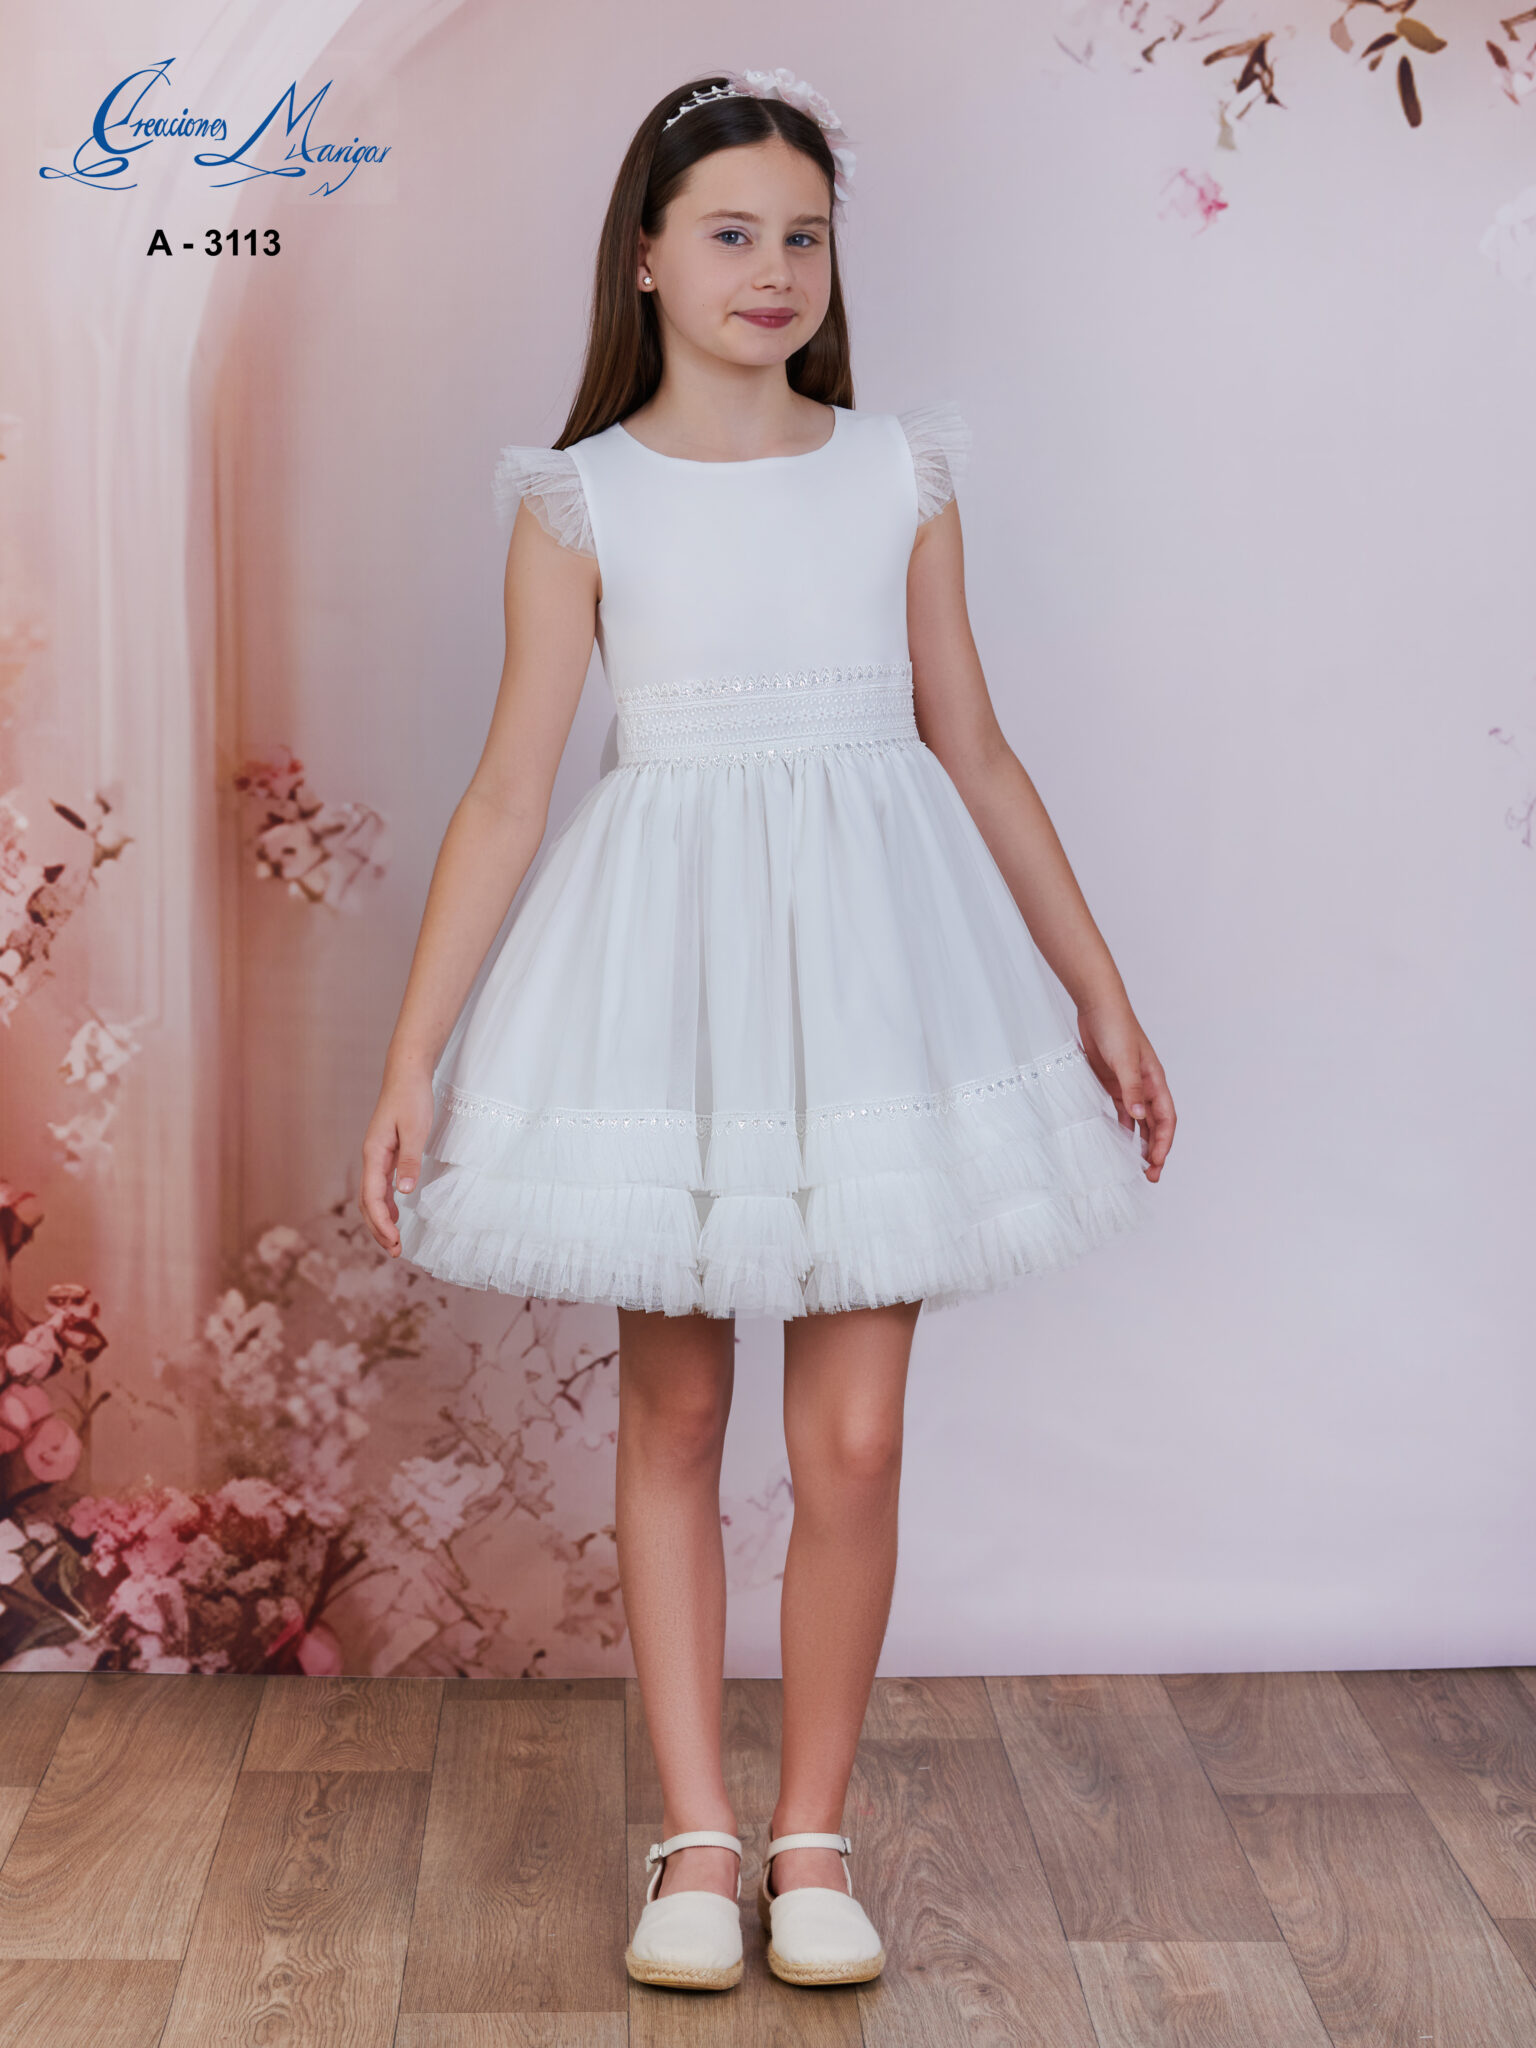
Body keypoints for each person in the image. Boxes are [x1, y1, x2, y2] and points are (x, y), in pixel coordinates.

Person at [359, 65, 1175, 1994]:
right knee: (677, 1408)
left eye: (803, 234)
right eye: (731, 231)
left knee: (858, 1436)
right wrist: (413, 1059)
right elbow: (508, 794)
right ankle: (697, 1836)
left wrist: (1100, 989)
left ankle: (814, 1837)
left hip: (881, 973)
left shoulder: (899, 474)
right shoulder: (581, 499)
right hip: (670, 982)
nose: (774, 268)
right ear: (646, 258)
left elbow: (975, 746)